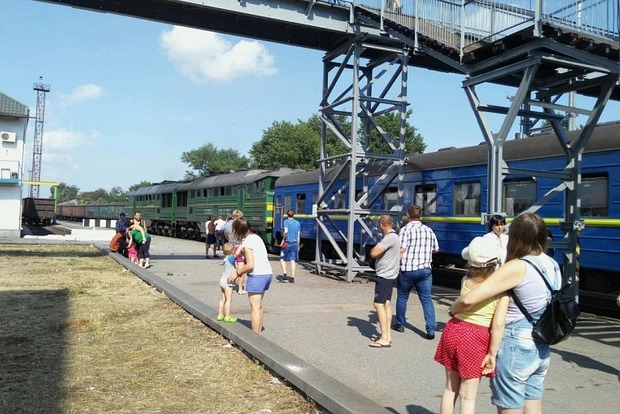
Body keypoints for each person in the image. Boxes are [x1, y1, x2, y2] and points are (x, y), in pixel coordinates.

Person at [450, 213, 562, 413]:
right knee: (533, 403)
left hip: (515, 346)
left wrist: (453, 308)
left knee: (509, 407)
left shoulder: (517, 267)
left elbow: (469, 299)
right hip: (541, 344)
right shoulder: (552, 264)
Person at [434, 236, 509, 414]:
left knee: (450, 388)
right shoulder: (501, 291)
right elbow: (498, 325)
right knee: (468, 396)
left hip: (454, 329)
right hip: (476, 338)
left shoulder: (465, 280)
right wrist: (492, 353)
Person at [392, 205, 439, 339]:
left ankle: (400, 324)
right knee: (426, 299)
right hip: (425, 270)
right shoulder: (428, 230)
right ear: (420, 216)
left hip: (407, 270)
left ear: (408, 215)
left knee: (402, 297)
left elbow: (401, 249)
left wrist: (394, 265)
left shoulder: (405, 230)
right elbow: (436, 249)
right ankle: (430, 329)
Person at [227, 217, 273, 334]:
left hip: (257, 275)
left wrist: (237, 273)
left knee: (255, 307)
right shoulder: (256, 238)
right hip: (267, 273)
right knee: (258, 306)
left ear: (238, 230)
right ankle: (258, 331)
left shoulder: (248, 243)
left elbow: (250, 265)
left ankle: (255, 336)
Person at [368, 215, 400, 348]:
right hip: (390, 275)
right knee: (386, 304)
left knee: (378, 304)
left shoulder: (390, 238)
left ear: (382, 224)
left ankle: (385, 338)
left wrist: (374, 252)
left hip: (385, 276)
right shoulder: (395, 237)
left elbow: (374, 253)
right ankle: (386, 334)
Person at [217, 242, 238, 323]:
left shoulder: (225, 259)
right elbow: (237, 254)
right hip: (228, 282)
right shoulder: (231, 258)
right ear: (232, 251)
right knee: (228, 299)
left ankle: (220, 315)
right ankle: (227, 316)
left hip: (222, 280)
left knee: (222, 299)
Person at [278, 210, 301, 283]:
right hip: (295, 244)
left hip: (287, 243)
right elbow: (298, 235)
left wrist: (283, 239)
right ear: (293, 215)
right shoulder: (298, 223)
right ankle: (292, 278)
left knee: (282, 258)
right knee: (293, 261)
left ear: (287, 215)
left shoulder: (286, 222)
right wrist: (298, 245)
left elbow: (286, 231)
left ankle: (285, 274)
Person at [226, 210, 246, 294]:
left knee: (230, 268)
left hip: (231, 248)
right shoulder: (241, 225)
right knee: (241, 270)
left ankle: (229, 286)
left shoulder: (228, 224)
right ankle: (240, 289)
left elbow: (225, 235)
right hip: (239, 249)